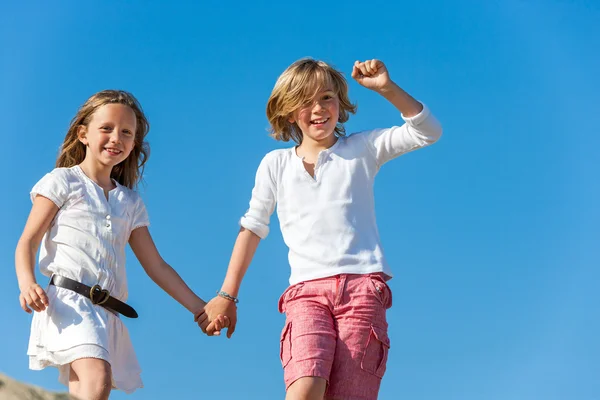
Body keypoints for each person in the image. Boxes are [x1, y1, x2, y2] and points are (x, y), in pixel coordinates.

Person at [203, 58, 443, 400]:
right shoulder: (275, 165)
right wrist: (227, 296)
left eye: (327, 98)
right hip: (305, 295)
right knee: (305, 388)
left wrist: (385, 87)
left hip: (363, 293)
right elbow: (252, 228)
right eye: (305, 101)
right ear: (287, 112)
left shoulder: (362, 149)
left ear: (339, 104)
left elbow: (427, 131)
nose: (318, 108)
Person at [15, 90, 226, 399]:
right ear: (83, 134)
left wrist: (199, 308)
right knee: (97, 380)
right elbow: (28, 241)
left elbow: (157, 266)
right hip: (68, 302)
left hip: (108, 314)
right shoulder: (63, 181)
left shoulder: (130, 202)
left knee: (87, 390)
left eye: (127, 132)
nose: (117, 137)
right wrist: (26, 282)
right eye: (107, 128)